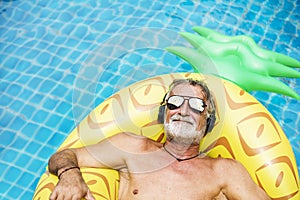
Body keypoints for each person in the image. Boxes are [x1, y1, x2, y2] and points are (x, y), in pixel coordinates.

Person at [48, 79, 271, 200]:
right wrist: (70, 176)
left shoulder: (223, 171)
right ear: (164, 113)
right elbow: (63, 156)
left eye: (196, 105)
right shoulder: (132, 147)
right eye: (175, 102)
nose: (183, 110)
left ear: (208, 122)